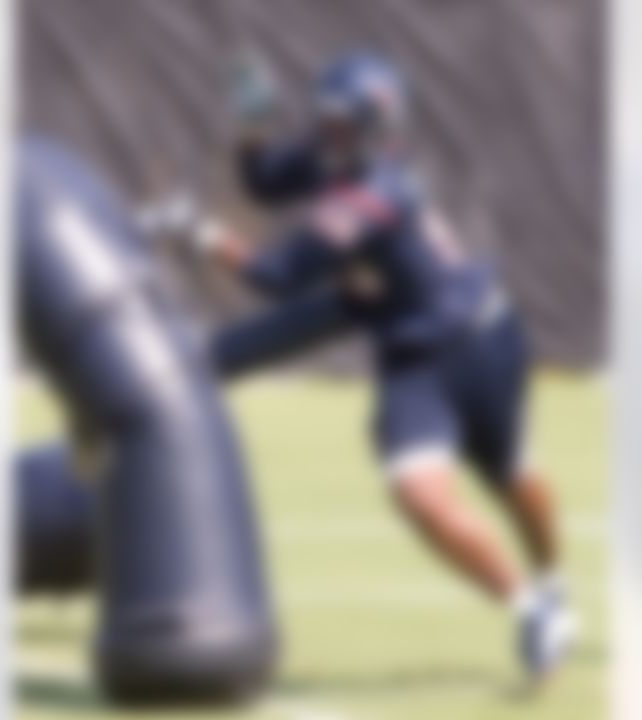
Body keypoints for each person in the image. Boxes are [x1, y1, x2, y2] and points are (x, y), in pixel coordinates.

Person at [155, 51, 577, 680]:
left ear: (374, 126)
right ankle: (531, 608)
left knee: (511, 478)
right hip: (411, 355)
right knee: (417, 493)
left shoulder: (376, 196)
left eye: (340, 122)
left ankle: (553, 581)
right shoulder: (337, 159)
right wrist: (252, 129)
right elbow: (265, 182)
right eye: (324, 118)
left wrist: (196, 229)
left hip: (477, 340)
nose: (325, 131)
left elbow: (276, 276)